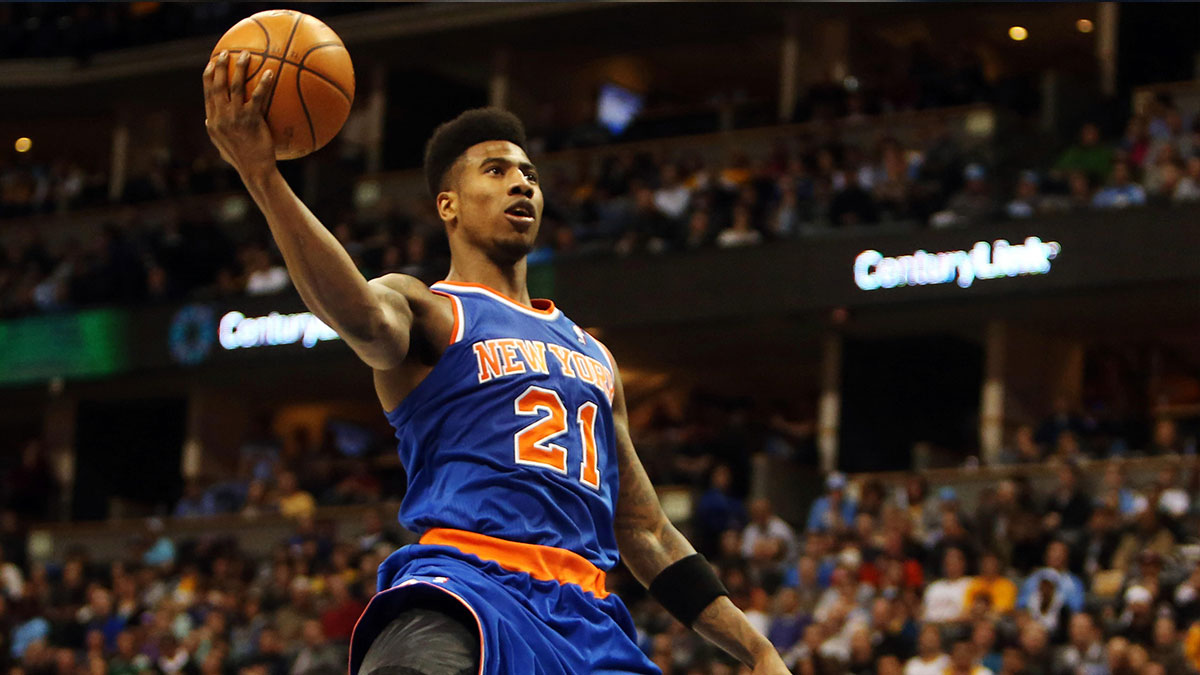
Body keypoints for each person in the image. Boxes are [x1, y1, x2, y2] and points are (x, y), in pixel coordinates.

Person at [203, 51, 787, 675]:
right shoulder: (428, 309)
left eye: (530, 173)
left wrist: (755, 649)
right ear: (449, 205)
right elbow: (360, 316)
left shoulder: (594, 356)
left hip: (587, 621)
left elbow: (644, 532)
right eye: (497, 169)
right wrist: (264, 177)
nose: (522, 183)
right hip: (466, 588)